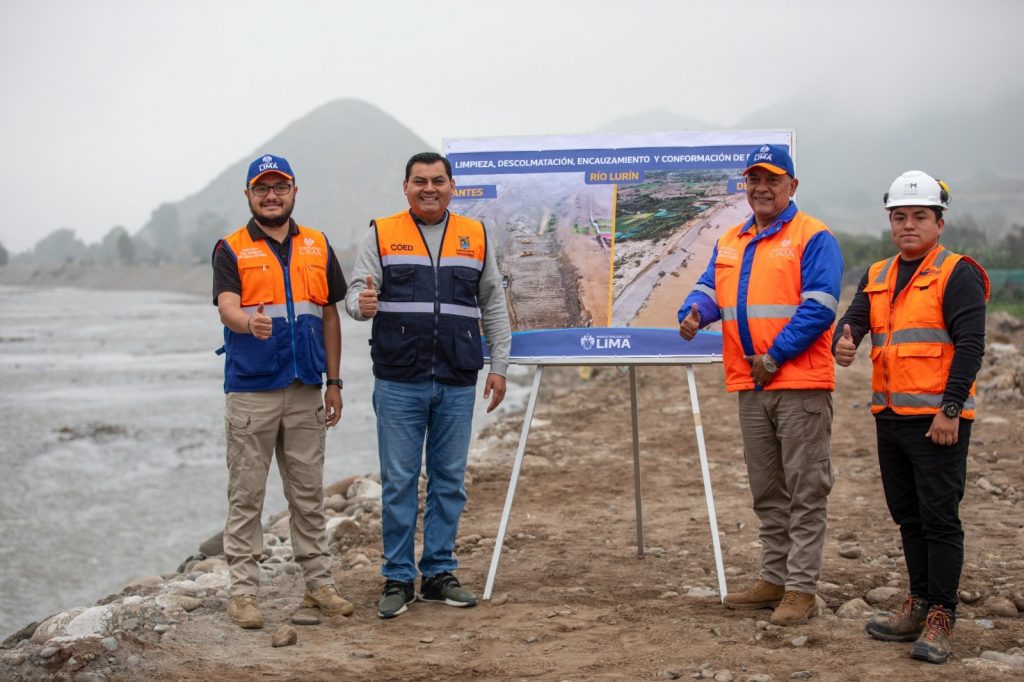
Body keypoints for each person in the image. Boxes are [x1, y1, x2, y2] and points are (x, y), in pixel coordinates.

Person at [678, 144, 842, 626]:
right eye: (754, 179)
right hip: (752, 383)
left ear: (792, 186)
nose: (761, 188)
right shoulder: (732, 239)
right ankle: (773, 579)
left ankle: (801, 589)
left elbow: (820, 306)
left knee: (805, 486)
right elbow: (709, 289)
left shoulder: (815, 236)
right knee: (767, 487)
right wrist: (692, 312)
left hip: (798, 381)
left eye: (772, 179)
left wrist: (775, 355)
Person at [345, 151, 512, 619]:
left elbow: (493, 302)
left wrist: (499, 365)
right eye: (419, 181)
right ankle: (398, 577)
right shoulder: (382, 232)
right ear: (406, 187)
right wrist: (362, 304)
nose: (429, 188)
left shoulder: (475, 235)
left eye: (438, 180)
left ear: (452, 186)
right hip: (399, 379)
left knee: (449, 482)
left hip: (458, 379)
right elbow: (354, 298)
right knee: (399, 481)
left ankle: (438, 574)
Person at [834, 171, 988, 664]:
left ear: (939, 222)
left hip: (939, 422)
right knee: (908, 517)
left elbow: (970, 346)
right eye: (899, 217)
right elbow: (858, 315)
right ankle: (917, 601)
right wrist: (846, 335)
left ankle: (941, 615)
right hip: (890, 416)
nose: (908, 225)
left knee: (940, 519)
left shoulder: (956, 272)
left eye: (919, 216)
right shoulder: (878, 273)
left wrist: (949, 410)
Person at [212, 153, 354, 629]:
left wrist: (333, 382)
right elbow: (227, 306)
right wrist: (245, 322)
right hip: (252, 392)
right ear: (248, 195)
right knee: (246, 496)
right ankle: (243, 594)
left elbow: (329, 314)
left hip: (306, 390)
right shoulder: (230, 248)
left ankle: (318, 586)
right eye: (261, 188)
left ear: (294, 191)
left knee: (308, 494)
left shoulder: (317, 244)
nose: (271, 195)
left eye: (280, 187)